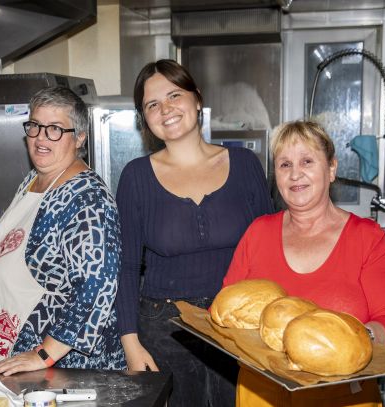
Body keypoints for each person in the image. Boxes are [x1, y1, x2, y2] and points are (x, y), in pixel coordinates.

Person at [0, 86, 125, 376]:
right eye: (35, 126)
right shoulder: (33, 181)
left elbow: (97, 287)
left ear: (79, 137)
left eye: (55, 129)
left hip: (64, 370)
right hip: (17, 357)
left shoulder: (87, 199)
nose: (41, 137)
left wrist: (45, 353)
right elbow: (13, 247)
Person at [221, 120, 385, 406]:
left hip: (343, 396)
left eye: (307, 161)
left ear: (332, 168)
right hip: (261, 393)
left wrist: (359, 338)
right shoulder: (258, 232)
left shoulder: (366, 237)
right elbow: (225, 311)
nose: (295, 173)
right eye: (285, 164)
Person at [115, 59, 273, 407]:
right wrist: (130, 344)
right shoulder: (136, 177)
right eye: (152, 104)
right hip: (164, 330)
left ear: (197, 99)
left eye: (174, 95)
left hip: (237, 326)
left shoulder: (245, 165)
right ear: (144, 118)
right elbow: (126, 267)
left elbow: (269, 251)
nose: (165, 109)